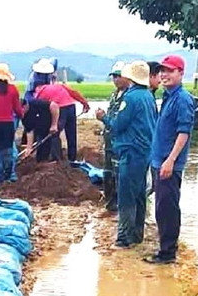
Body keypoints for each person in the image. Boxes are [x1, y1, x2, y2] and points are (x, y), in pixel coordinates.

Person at [146, 55, 194, 264]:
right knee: (161, 206)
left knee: (167, 207)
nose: (164, 74)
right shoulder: (167, 95)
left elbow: (184, 132)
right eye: (162, 71)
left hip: (168, 163)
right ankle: (165, 248)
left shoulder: (183, 99)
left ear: (180, 73)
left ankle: (167, 253)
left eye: (170, 70)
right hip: (159, 160)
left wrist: (171, 160)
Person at [108, 61, 157, 248]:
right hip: (145, 151)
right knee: (139, 195)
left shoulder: (130, 98)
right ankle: (137, 235)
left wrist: (104, 118)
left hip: (131, 151)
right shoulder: (148, 96)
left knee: (126, 196)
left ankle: (123, 239)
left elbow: (118, 125)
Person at [34, 61, 90, 161]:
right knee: (71, 134)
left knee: (54, 134)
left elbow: (40, 109)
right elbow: (74, 92)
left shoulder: (39, 91)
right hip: (71, 106)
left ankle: (57, 160)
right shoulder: (59, 86)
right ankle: (72, 158)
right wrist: (84, 103)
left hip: (61, 109)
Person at [95, 61, 130, 212]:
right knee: (108, 173)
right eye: (114, 76)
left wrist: (104, 118)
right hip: (110, 141)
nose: (115, 79)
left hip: (119, 143)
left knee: (118, 175)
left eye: (118, 76)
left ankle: (117, 204)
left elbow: (119, 122)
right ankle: (110, 203)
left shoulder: (128, 97)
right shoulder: (114, 95)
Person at [20, 97, 60, 162]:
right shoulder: (24, 117)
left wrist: (54, 124)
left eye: (21, 110)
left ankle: (56, 160)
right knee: (41, 145)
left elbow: (54, 106)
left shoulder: (36, 104)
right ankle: (42, 162)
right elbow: (29, 131)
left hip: (54, 119)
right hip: (41, 128)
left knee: (54, 140)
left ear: (25, 106)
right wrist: (29, 148)